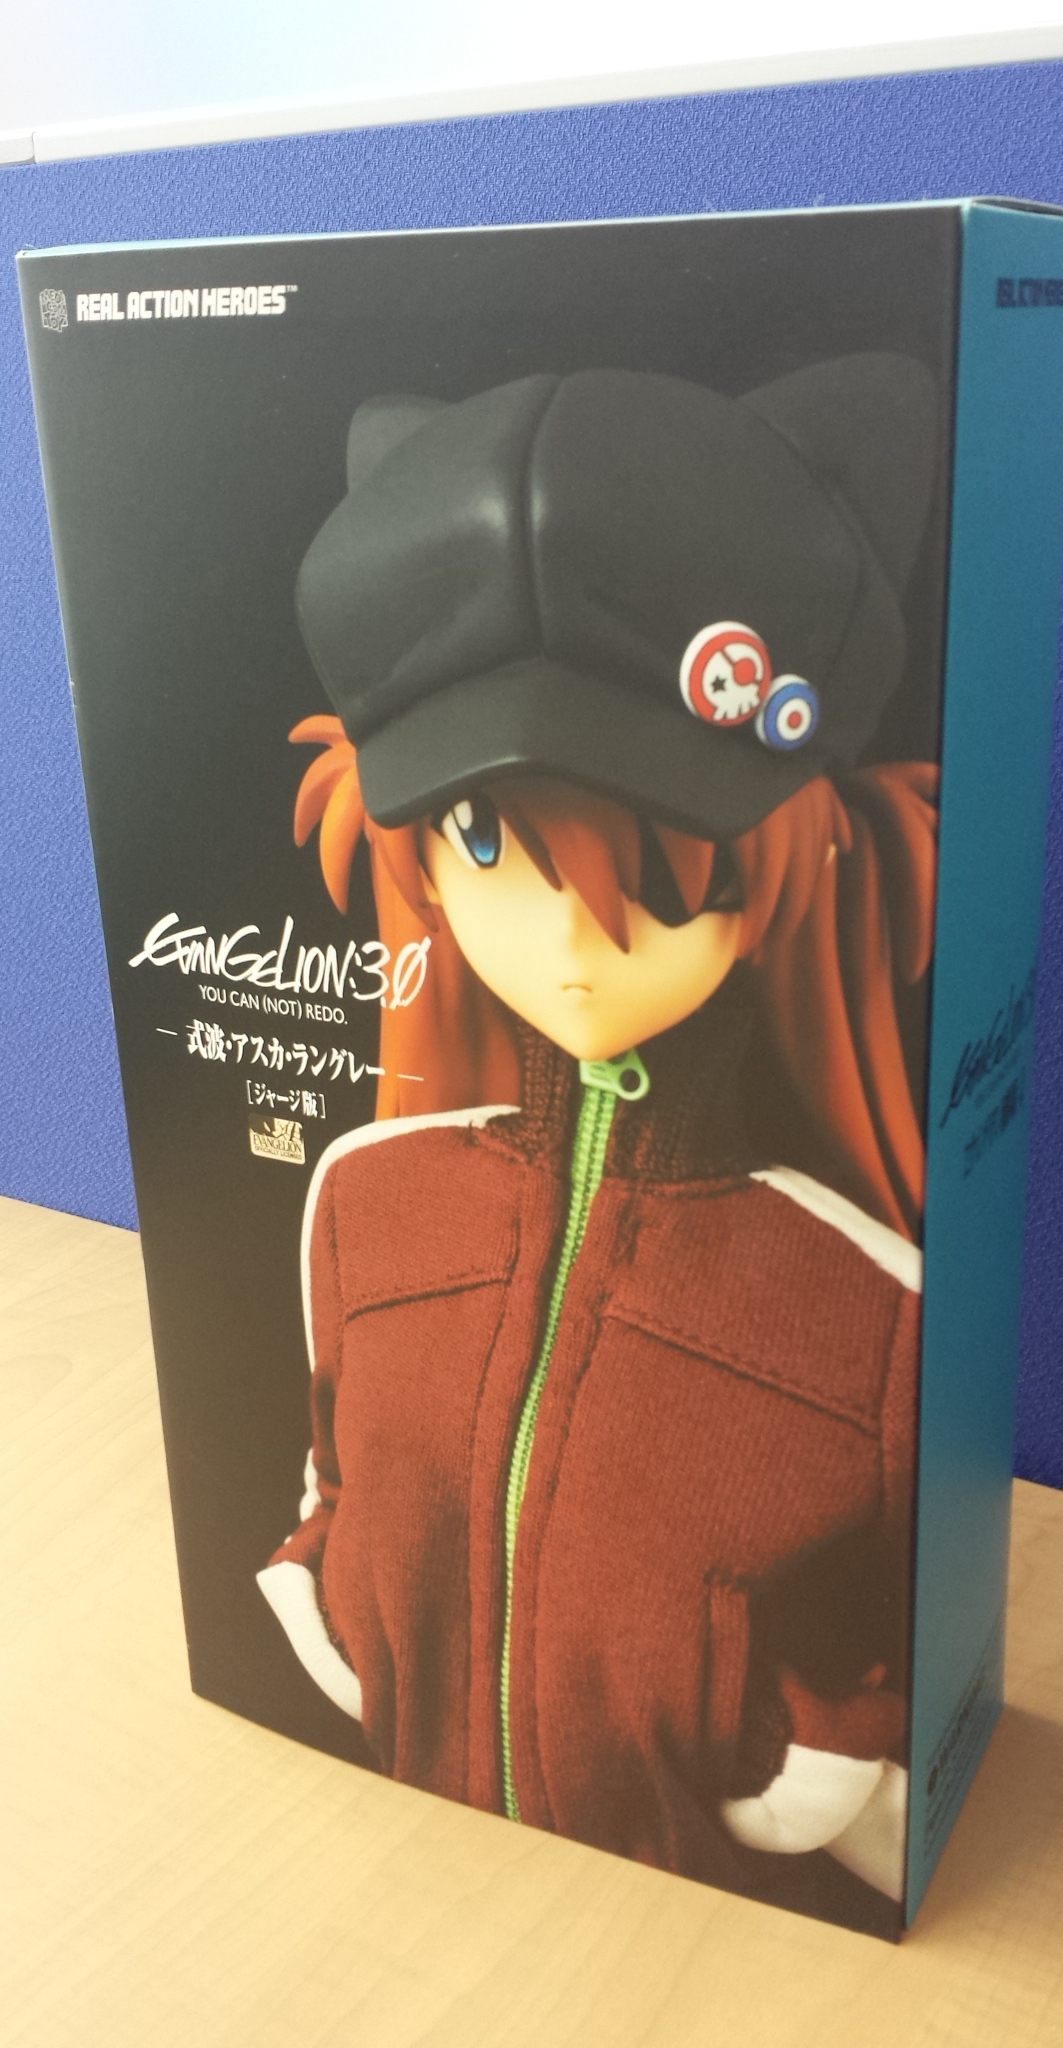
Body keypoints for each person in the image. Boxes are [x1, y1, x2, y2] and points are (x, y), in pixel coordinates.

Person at [257, 360, 939, 1932]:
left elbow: (911, 1652)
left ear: (801, 843)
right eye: (483, 839)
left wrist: (792, 1749)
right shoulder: (369, 1205)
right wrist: (338, 1588)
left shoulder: (873, 1316)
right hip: (389, 1883)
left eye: (658, 856)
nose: (569, 939)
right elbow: (334, 1462)